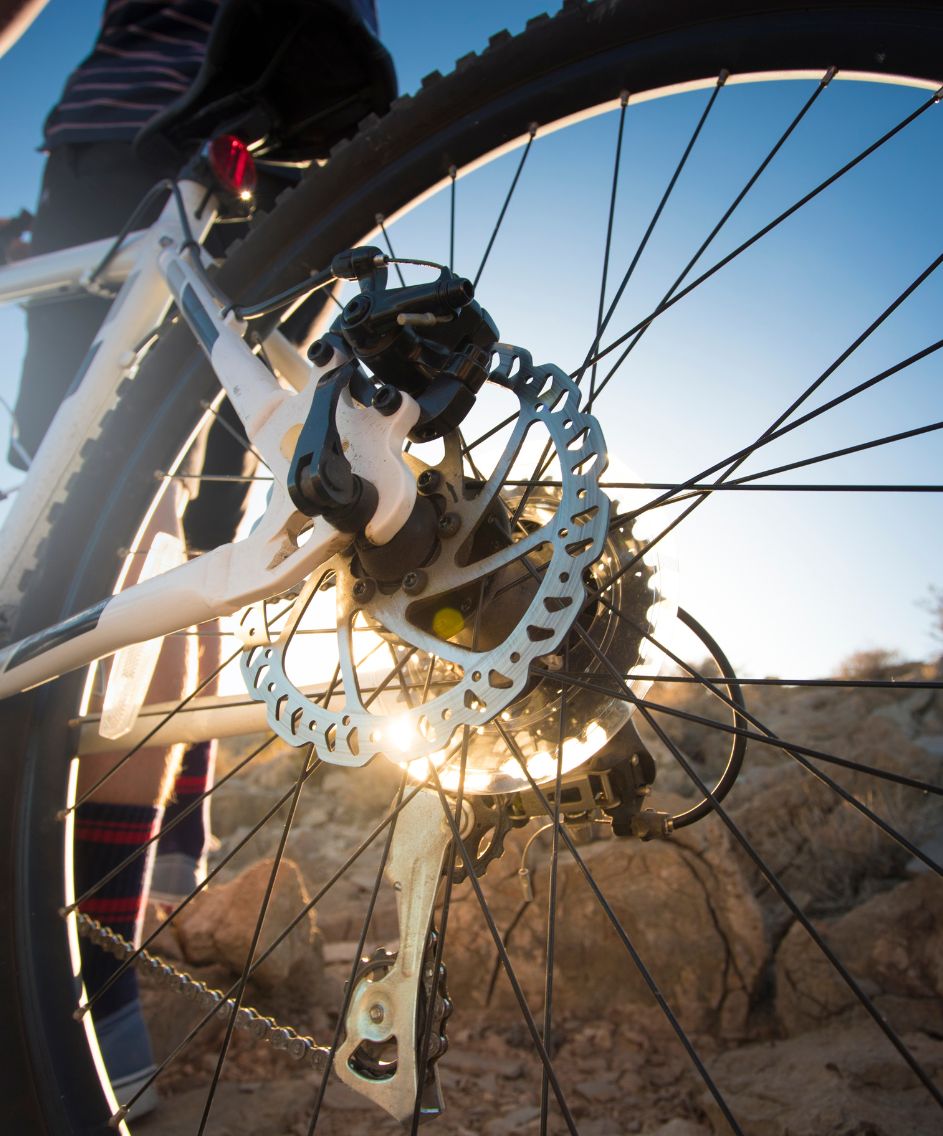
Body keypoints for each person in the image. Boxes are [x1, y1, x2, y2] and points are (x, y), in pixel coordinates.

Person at [0, 0, 390, 1118]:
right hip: (313, 95)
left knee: (103, 508)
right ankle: (166, 849)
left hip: (135, 124)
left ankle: (90, 982)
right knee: (200, 514)